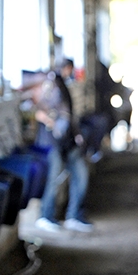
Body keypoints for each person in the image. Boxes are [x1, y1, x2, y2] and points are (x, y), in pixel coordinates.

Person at [32, 59, 92, 233]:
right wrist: (53, 124)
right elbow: (39, 111)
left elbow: (67, 115)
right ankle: (45, 216)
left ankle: (73, 215)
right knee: (53, 179)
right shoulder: (50, 84)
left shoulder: (60, 84)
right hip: (53, 142)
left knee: (80, 174)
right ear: (67, 69)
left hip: (68, 141)